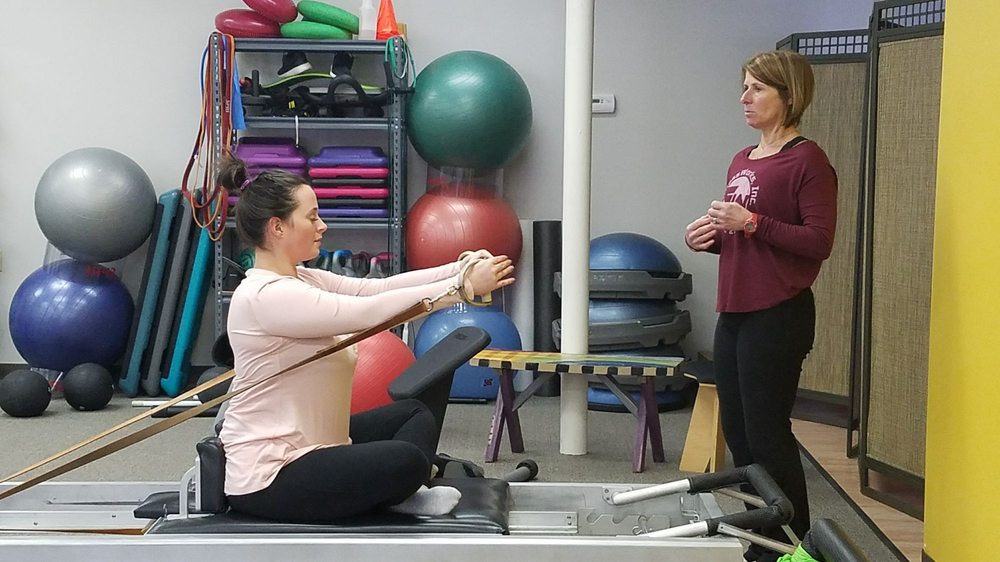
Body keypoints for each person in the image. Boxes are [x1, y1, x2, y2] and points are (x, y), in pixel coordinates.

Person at [215, 155, 515, 523]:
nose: (322, 226)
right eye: (311, 217)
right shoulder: (266, 296)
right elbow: (369, 313)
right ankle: (399, 488)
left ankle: (398, 493)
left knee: (414, 414)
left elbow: (376, 290)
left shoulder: (302, 278)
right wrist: (461, 288)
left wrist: (459, 268)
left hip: (317, 446)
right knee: (407, 460)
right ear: (277, 227)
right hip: (270, 474)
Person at [684, 50, 837, 561]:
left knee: (769, 434)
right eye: (744, 87)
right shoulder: (741, 160)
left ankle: (797, 548)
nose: (744, 98)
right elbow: (747, 239)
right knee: (742, 437)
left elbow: (818, 241)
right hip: (735, 311)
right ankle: (763, 544)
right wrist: (711, 238)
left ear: (788, 96)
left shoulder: (807, 160)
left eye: (757, 89)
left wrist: (749, 222)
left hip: (780, 314)